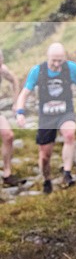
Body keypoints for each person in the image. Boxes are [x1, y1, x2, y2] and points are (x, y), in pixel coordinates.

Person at [14, 43, 76, 194]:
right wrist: (20, 112)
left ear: (64, 58)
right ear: (47, 58)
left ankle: (67, 173)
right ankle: (47, 179)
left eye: (59, 61)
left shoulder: (71, 68)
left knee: (69, 134)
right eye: (53, 61)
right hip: (46, 116)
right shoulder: (38, 71)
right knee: (44, 156)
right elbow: (24, 93)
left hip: (65, 111)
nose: (56, 64)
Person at [0, 48, 25, 187]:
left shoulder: (2, 69)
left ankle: (7, 174)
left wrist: (16, 102)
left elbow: (14, 79)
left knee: (8, 136)